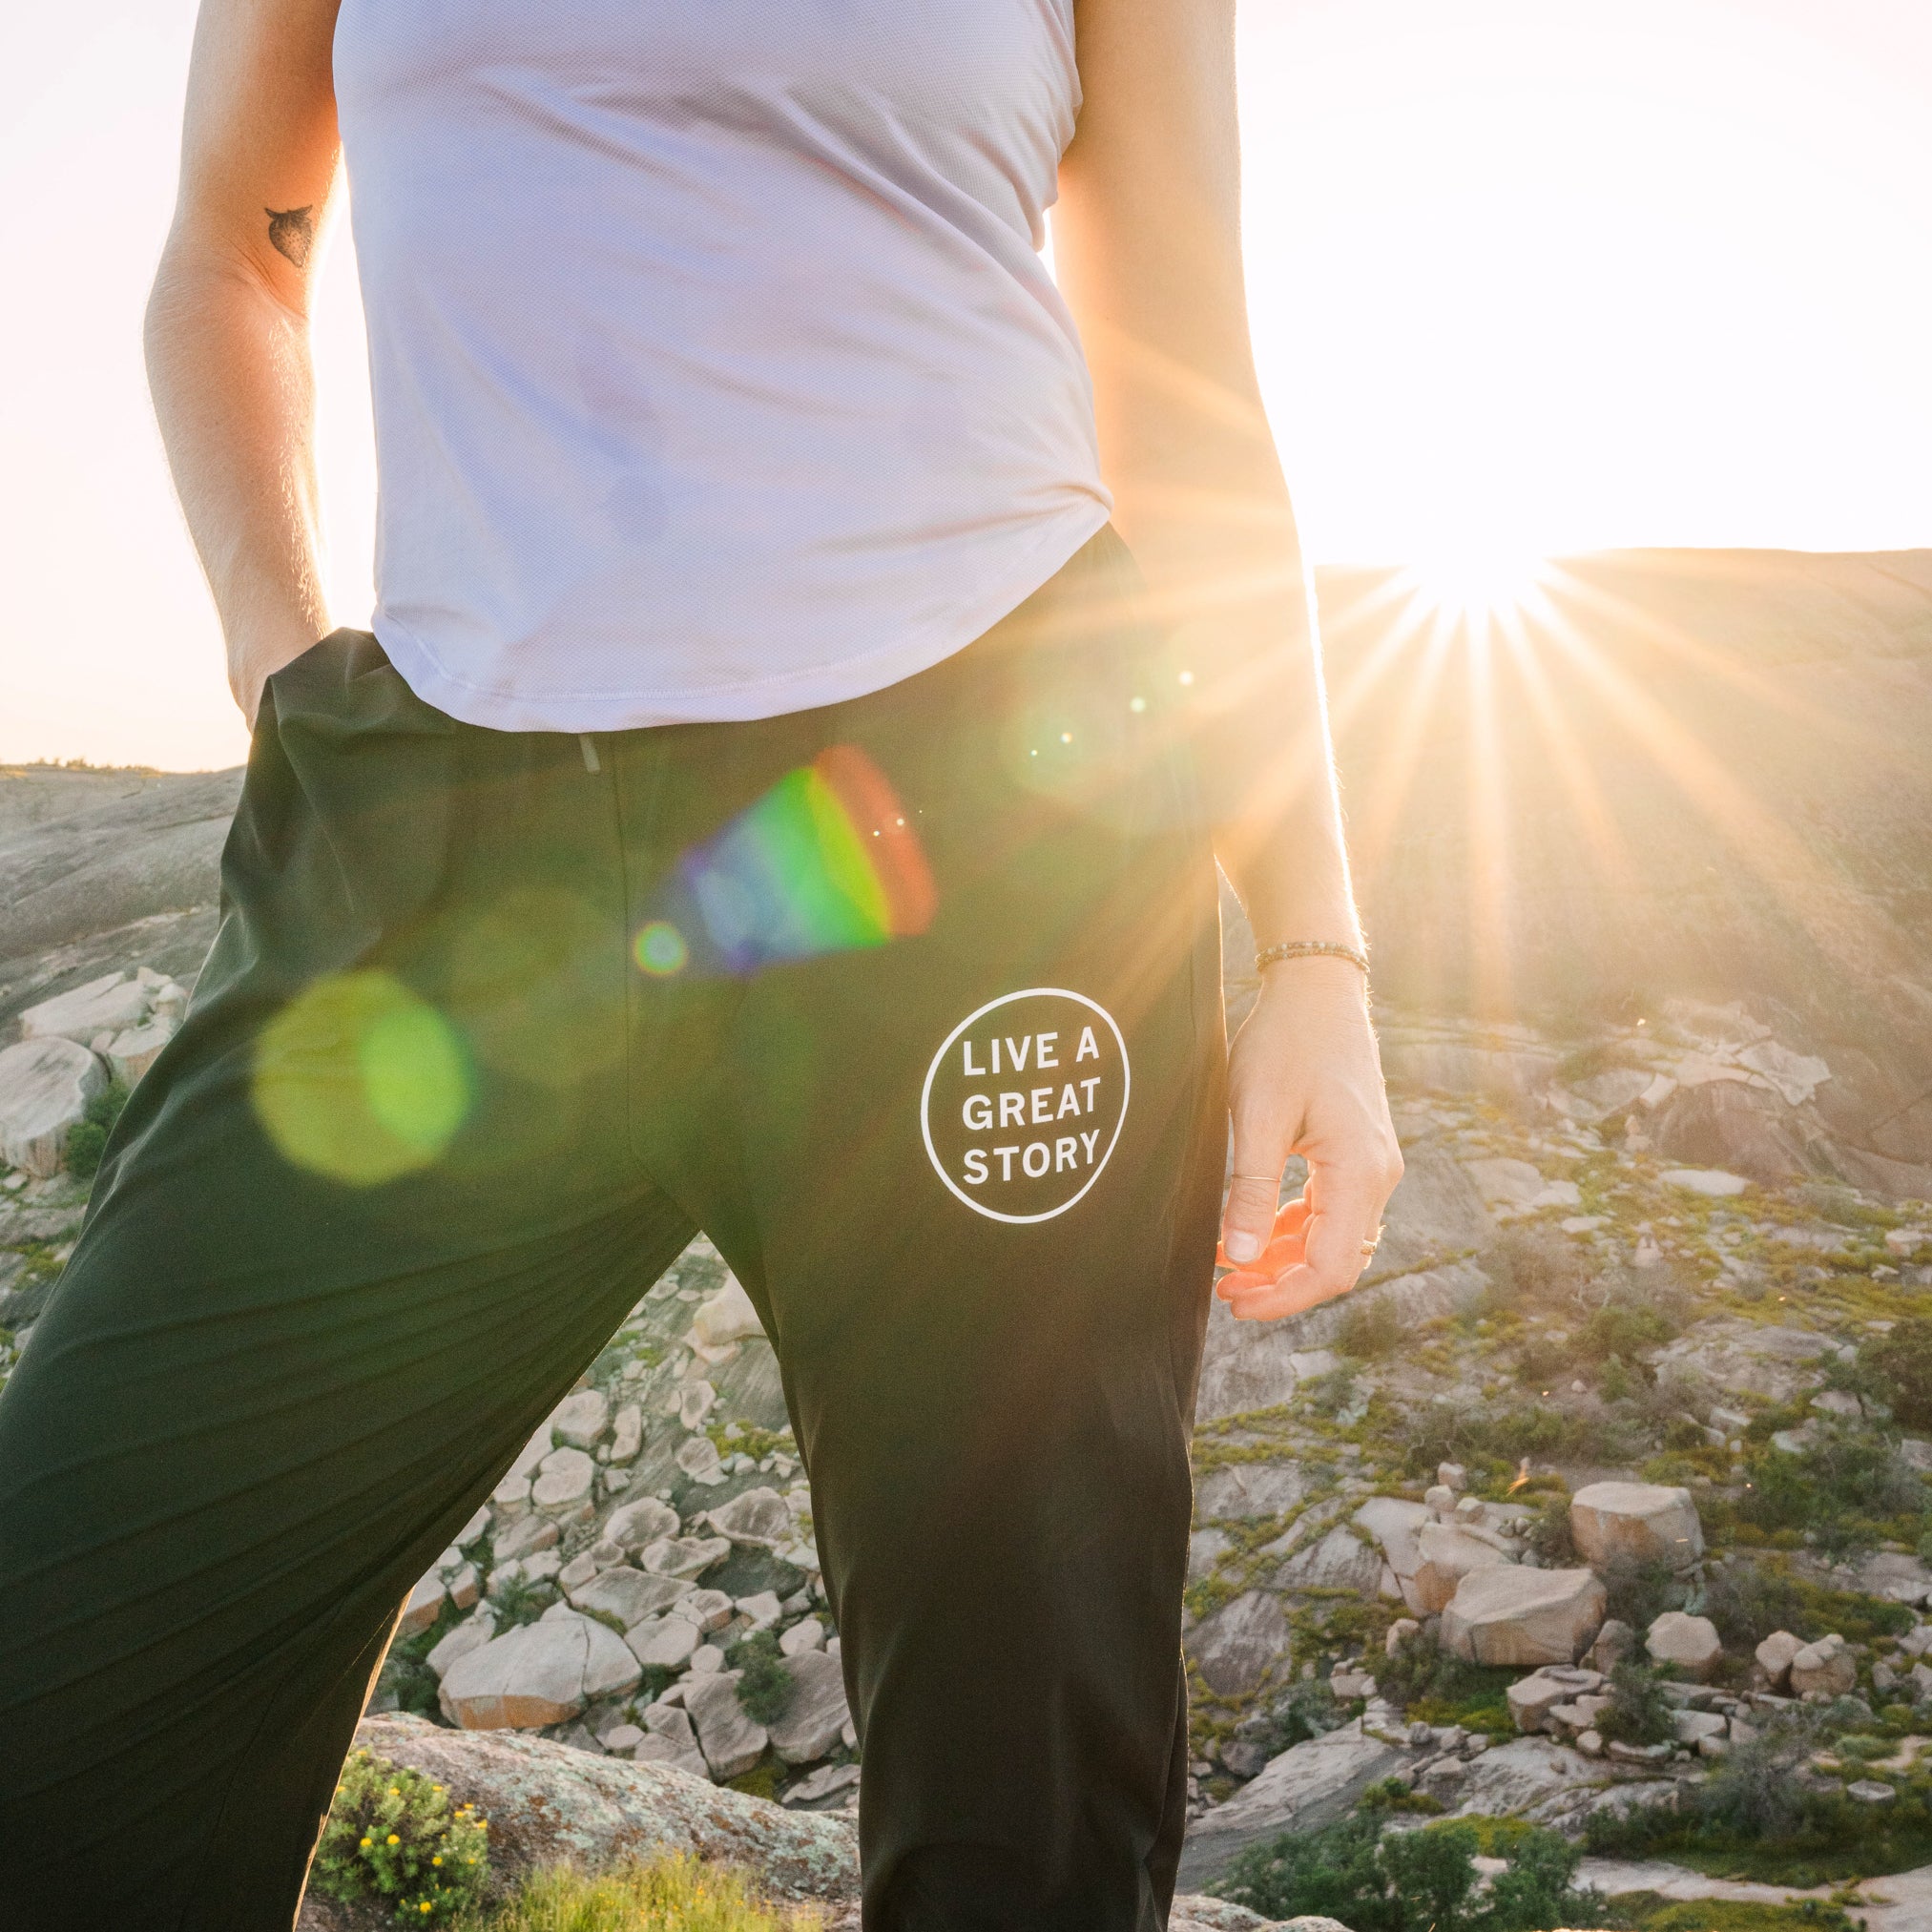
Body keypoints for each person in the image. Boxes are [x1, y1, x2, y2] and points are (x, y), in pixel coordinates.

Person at [0, 0, 1402, 1924]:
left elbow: (1184, 378)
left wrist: (1309, 937)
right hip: (451, 846)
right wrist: (280, 658)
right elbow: (233, 245)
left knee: (1019, 1792)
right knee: (61, 1681)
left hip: (984, 838)